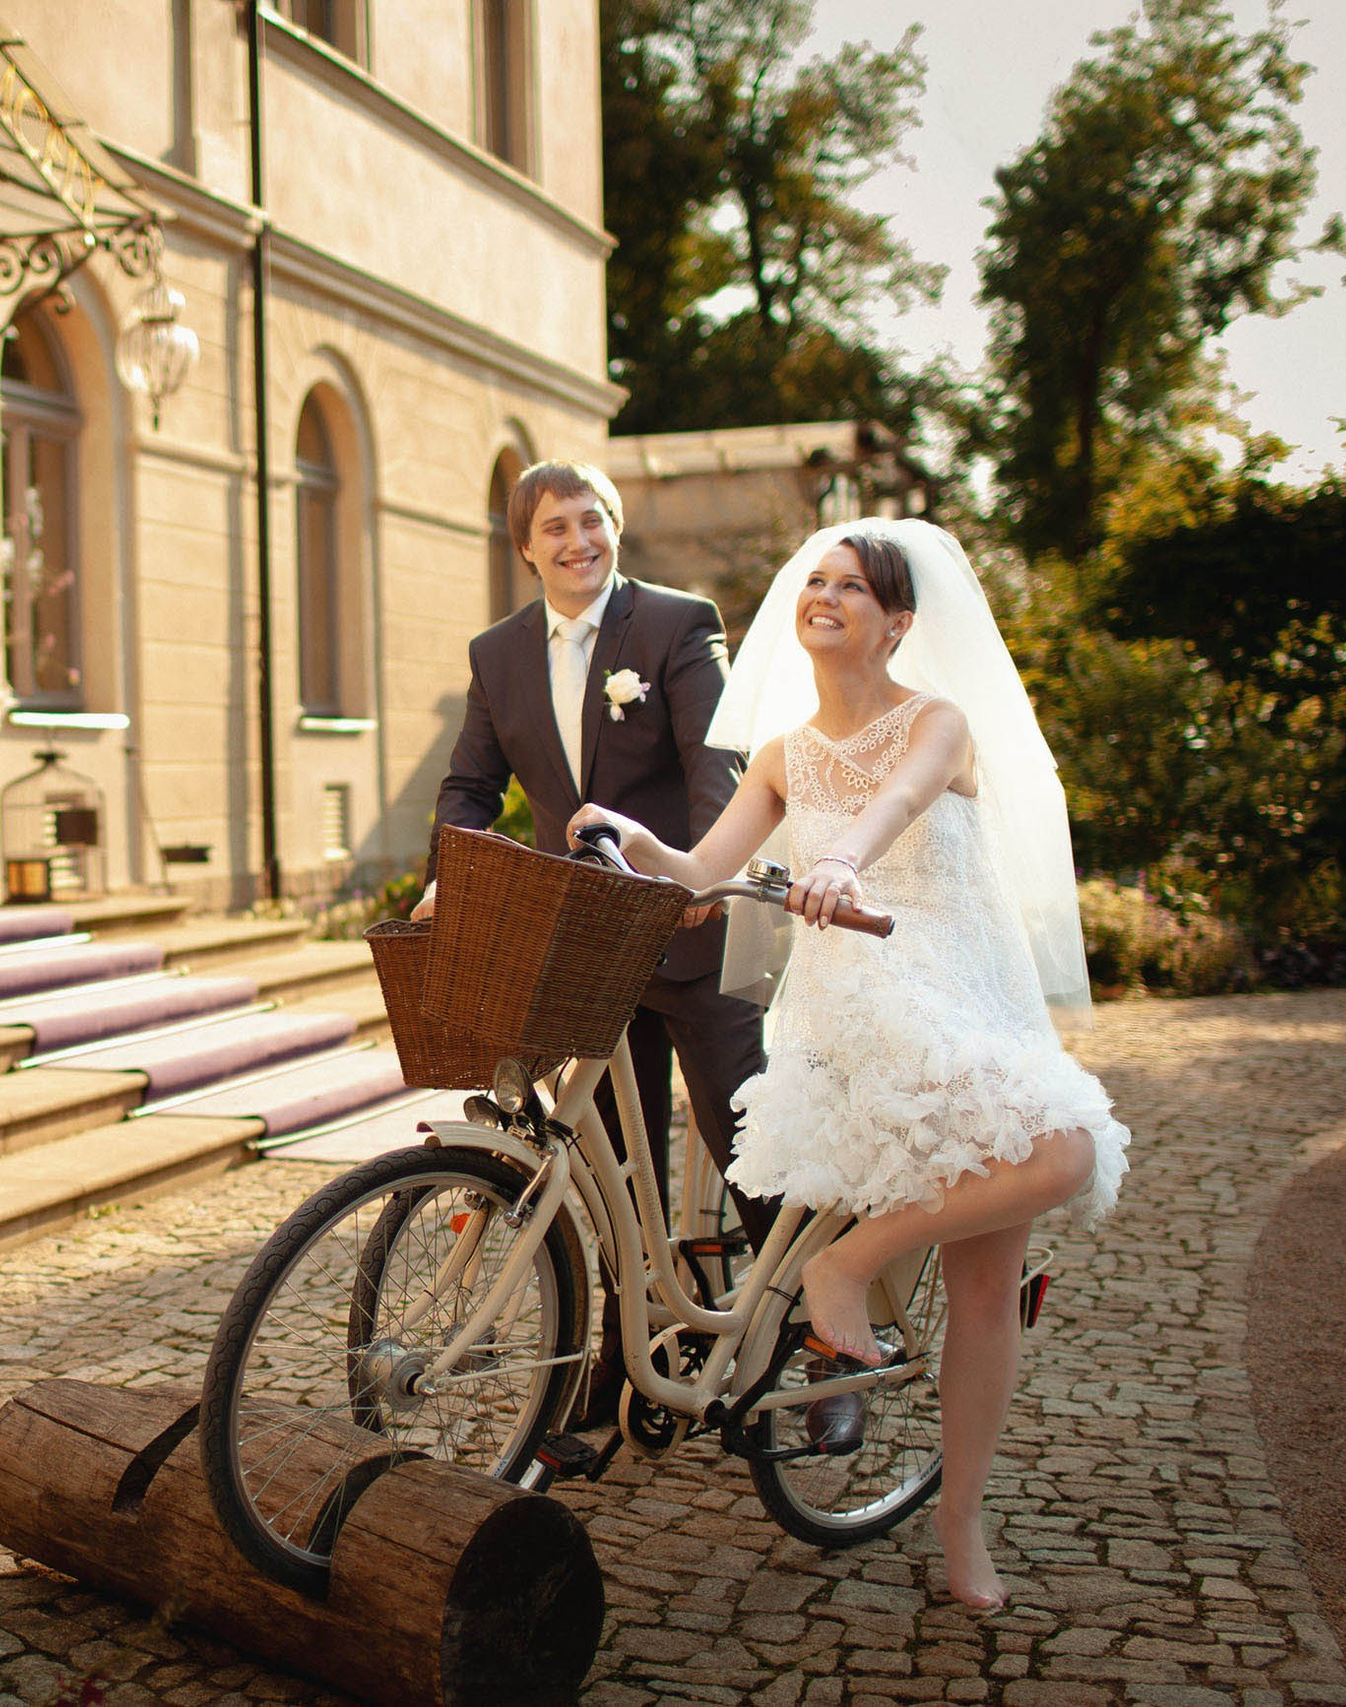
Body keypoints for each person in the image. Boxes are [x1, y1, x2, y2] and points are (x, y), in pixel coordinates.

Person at [568, 519, 1130, 1609]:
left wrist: (834, 858)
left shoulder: (939, 722)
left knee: (993, 1270)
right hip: (861, 1000)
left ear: (897, 623)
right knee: (1053, 1158)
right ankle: (842, 1273)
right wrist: (633, 838)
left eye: (851, 587)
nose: (824, 596)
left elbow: (899, 800)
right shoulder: (779, 755)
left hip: (974, 993)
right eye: (815, 581)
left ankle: (959, 1525)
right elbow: (699, 877)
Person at [421, 458, 775, 1424]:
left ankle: (803, 1334)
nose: (578, 542)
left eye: (593, 521)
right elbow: (471, 785)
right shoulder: (497, 653)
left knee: (744, 1134)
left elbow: (720, 758)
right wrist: (446, 873)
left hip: (684, 925)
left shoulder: (672, 621)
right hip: (586, 942)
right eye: (555, 528)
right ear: (525, 547)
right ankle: (630, 1354)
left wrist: (698, 871)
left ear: (615, 526)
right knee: (616, 1169)